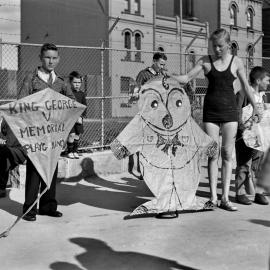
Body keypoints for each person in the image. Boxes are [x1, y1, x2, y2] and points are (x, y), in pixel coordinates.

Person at [171, 28, 260, 211]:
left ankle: (225, 198)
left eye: (220, 46)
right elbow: (187, 78)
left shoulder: (236, 62)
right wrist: (168, 77)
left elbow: (246, 86)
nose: (217, 49)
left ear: (228, 45)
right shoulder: (205, 61)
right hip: (210, 112)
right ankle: (212, 197)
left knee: (227, 155)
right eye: (214, 46)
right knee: (213, 154)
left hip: (230, 113)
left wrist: (256, 107)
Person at [18, 43, 75, 221]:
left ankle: (48, 206)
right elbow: (21, 102)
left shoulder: (61, 81)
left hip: (54, 133)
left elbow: (72, 101)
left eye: (54, 58)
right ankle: (30, 209)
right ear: (41, 58)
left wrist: (67, 125)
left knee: (51, 169)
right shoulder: (31, 78)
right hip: (36, 133)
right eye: (48, 57)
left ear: (58, 59)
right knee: (35, 170)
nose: (51, 61)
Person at [129, 52, 167, 180]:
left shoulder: (161, 75)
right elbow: (136, 87)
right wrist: (135, 93)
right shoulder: (143, 74)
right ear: (154, 61)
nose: (162, 66)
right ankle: (140, 169)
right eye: (160, 64)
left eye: (163, 65)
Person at [235, 66, 269, 205]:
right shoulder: (243, 93)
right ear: (257, 80)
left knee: (258, 164)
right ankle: (240, 192)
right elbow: (237, 111)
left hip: (260, 135)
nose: (268, 83)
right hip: (246, 134)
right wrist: (241, 128)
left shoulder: (263, 96)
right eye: (267, 80)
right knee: (243, 163)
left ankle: (258, 193)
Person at [0, 119, 27, 198]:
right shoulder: (5, 118)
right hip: (9, 147)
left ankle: (1, 187)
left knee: (4, 153)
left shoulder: (20, 117)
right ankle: (1, 186)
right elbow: (3, 133)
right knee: (4, 152)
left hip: (21, 149)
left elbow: (12, 141)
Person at [66, 71, 87, 159]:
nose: (77, 84)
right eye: (75, 82)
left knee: (77, 135)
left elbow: (84, 106)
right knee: (71, 134)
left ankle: (75, 151)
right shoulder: (68, 93)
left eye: (79, 82)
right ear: (70, 82)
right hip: (70, 118)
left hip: (78, 119)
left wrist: (81, 117)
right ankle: (69, 151)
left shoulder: (82, 94)